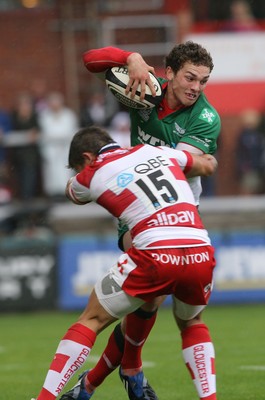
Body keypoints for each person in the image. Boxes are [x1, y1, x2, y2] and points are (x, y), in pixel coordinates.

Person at [32, 125, 218, 400]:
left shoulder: (92, 173)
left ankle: (46, 398)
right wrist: (198, 161)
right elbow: (207, 165)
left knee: (92, 318)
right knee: (192, 323)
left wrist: (79, 177)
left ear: (86, 158)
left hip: (156, 251)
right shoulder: (156, 151)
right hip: (200, 248)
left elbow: (73, 192)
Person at [79, 41, 221, 400]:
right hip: (140, 213)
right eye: (190, 77)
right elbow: (90, 61)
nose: (196, 88)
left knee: (148, 301)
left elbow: (176, 163)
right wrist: (133, 60)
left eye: (203, 81)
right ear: (169, 73)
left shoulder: (205, 118)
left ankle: (99, 381)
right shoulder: (146, 84)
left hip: (180, 214)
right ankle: (128, 371)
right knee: (154, 297)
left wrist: (134, 152)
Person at [38, 92, 79, 201]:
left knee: (65, 172)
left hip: (65, 148)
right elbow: (44, 133)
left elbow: (71, 131)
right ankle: (54, 195)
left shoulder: (68, 115)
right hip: (51, 149)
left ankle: (67, 193)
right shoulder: (44, 115)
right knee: (52, 174)